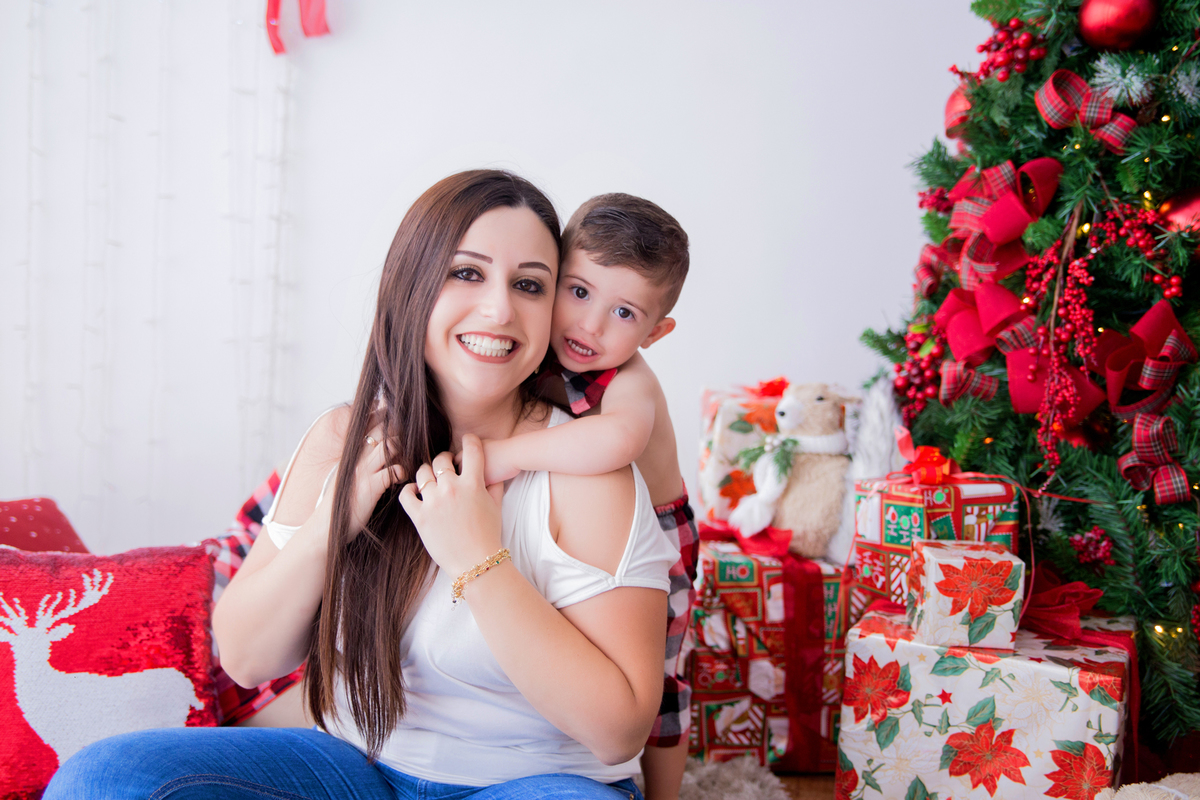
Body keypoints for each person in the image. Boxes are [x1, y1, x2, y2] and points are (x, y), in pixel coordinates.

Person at [44, 170, 679, 800]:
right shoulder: (340, 441)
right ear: (410, 286)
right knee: (103, 780)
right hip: (351, 768)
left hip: (533, 782)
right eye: (466, 273)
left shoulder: (583, 472)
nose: (498, 308)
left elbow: (618, 731)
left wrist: (479, 562)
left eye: (530, 285)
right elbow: (244, 657)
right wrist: (333, 521)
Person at [479, 194, 696, 800]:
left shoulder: (630, 381)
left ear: (656, 330)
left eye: (623, 312)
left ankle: (665, 794)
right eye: (577, 292)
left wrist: (505, 456)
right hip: (571, 524)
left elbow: (612, 443)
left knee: (659, 681)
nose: (590, 325)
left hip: (655, 537)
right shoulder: (530, 345)